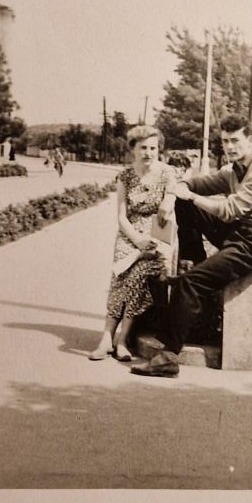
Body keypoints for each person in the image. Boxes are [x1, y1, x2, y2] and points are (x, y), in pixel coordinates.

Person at [131, 114, 252, 378]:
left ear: (251, 141)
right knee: (184, 203)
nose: (230, 147)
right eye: (226, 141)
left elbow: (230, 210)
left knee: (190, 283)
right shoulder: (232, 170)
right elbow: (193, 183)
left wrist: (190, 196)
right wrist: (174, 194)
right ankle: (192, 259)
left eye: (236, 141)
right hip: (239, 235)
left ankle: (167, 358)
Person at [88, 125, 177, 362]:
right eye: (143, 148)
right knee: (120, 276)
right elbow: (121, 216)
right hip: (130, 235)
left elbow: (171, 197)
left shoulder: (168, 173)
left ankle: (123, 339)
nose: (148, 153)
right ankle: (106, 338)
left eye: (153, 148)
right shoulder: (125, 176)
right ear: (132, 150)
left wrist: (168, 204)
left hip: (156, 237)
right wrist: (136, 240)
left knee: (139, 274)